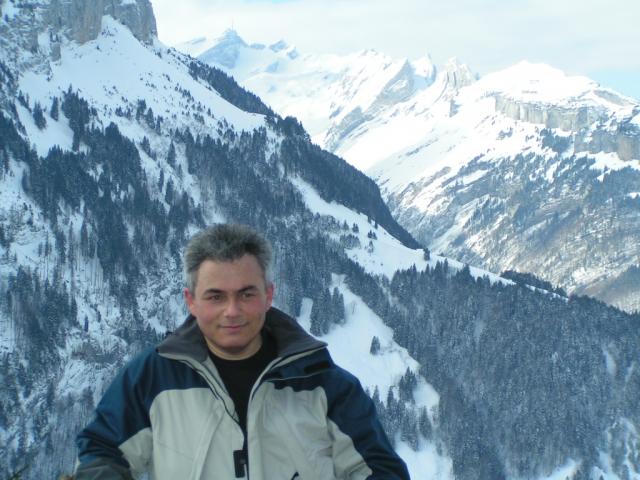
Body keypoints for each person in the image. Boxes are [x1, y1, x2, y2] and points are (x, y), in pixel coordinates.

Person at [75, 224, 410, 479]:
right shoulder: (152, 378)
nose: (232, 311)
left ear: (269, 295)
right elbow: (102, 452)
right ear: (191, 301)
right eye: (216, 296)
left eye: (246, 294)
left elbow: (379, 470)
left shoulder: (323, 382)